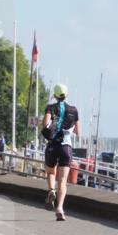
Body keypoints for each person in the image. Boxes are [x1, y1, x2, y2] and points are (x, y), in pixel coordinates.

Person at [41, 83, 81, 221]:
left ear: (55, 95)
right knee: (63, 181)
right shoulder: (74, 110)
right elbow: (77, 132)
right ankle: (60, 208)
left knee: (51, 172)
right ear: (67, 95)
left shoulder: (50, 108)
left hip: (53, 145)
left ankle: (51, 191)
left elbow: (45, 124)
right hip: (66, 147)